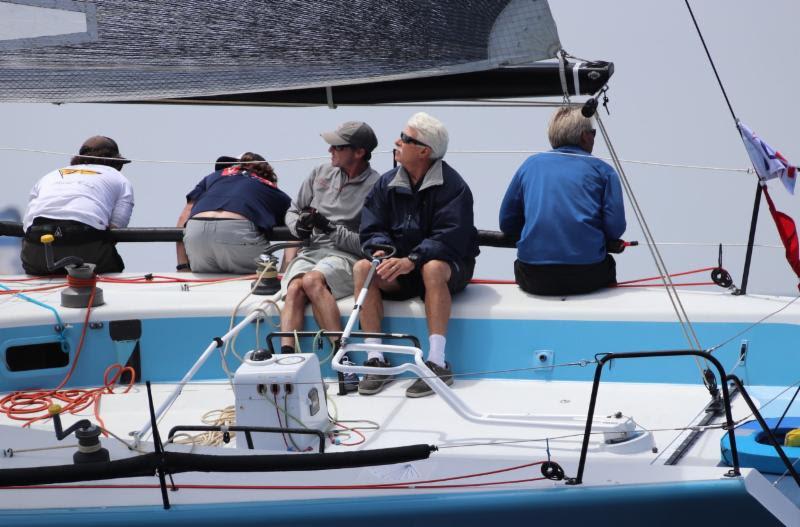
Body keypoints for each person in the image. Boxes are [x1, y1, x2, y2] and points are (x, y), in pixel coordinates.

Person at [355, 112, 479, 398]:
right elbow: (372, 228)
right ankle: (376, 360)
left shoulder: (454, 187)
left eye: (406, 138)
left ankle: (436, 363)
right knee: (364, 268)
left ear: (424, 151)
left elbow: (451, 237)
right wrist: (383, 253)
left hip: (447, 267)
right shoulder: (385, 184)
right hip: (402, 267)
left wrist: (412, 260)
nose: (397, 142)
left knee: (433, 268)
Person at [499, 106, 626, 296]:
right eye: (593, 133)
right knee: (608, 265)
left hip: (533, 276)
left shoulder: (530, 165)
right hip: (588, 274)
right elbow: (615, 229)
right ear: (584, 136)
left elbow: (507, 223)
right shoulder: (604, 171)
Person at [280, 121, 380, 354]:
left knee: (311, 281)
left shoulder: (377, 187)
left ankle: (341, 354)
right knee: (295, 288)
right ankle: (286, 356)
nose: (330, 151)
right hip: (312, 252)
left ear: (359, 152)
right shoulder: (319, 173)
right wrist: (300, 228)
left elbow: (370, 246)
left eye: (337, 146)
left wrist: (330, 230)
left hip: (346, 256)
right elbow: (293, 210)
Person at [21, 136, 134, 275]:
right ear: (115, 163)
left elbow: (27, 224)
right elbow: (117, 227)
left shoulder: (50, 176)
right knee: (113, 269)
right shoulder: (120, 179)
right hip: (86, 246)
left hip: (37, 249)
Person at [176, 152, 291, 274]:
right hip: (238, 235)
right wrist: (285, 272)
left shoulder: (212, 177)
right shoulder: (269, 188)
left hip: (196, 236)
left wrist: (183, 266)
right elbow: (297, 227)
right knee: (267, 277)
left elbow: (183, 218)